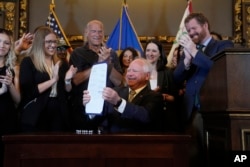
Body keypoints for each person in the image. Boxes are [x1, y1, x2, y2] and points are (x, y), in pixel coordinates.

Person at [173, 13, 234, 167]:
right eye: (188, 30)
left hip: (212, 111)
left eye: (194, 28)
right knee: (193, 156)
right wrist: (186, 61)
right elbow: (176, 78)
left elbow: (219, 69)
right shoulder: (189, 49)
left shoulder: (223, 45)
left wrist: (194, 52)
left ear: (205, 25)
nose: (191, 33)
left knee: (214, 155)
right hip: (190, 112)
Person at [83, 58, 164, 133]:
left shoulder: (155, 97)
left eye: (134, 71)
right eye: (128, 71)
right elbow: (99, 120)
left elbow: (145, 116)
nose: (129, 74)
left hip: (138, 145)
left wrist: (119, 102)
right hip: (111, 143)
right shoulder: (115, 91)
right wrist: (91, 107)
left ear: (147, 76)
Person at [69, 20, 123, 131]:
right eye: (93, 31)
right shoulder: (78, 53)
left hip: (108, 107)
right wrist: (98, 64)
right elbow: (75, 80)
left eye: (100, 32)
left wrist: (107, 62)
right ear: (86, 33)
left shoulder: (111, 53)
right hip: (84, 107)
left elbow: (119, 82)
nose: (97, 35)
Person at [19, 26, 72, 132]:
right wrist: (54, 79)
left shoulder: (62, 63)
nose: (53, 45)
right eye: (48, 42)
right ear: (39, 43)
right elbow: (30, 91)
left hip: (59, 112)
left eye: (54, 42)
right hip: (38, 114)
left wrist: (68, 80)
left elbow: (68, 92)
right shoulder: (28, 62)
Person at [143, 39, 179, 131]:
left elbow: (175, 97)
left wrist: (163, 97)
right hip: (144, 118)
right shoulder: (140, 72)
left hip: (164, 119)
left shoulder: (168, 72)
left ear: (160, 54)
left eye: (154, 51)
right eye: (148, 50)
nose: (150, 53)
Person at [0, 28, 20, 167]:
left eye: (6, 43)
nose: (2, 46)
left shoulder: (12, 68)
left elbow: (18, 100)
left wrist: (10, 85)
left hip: (6, 121)